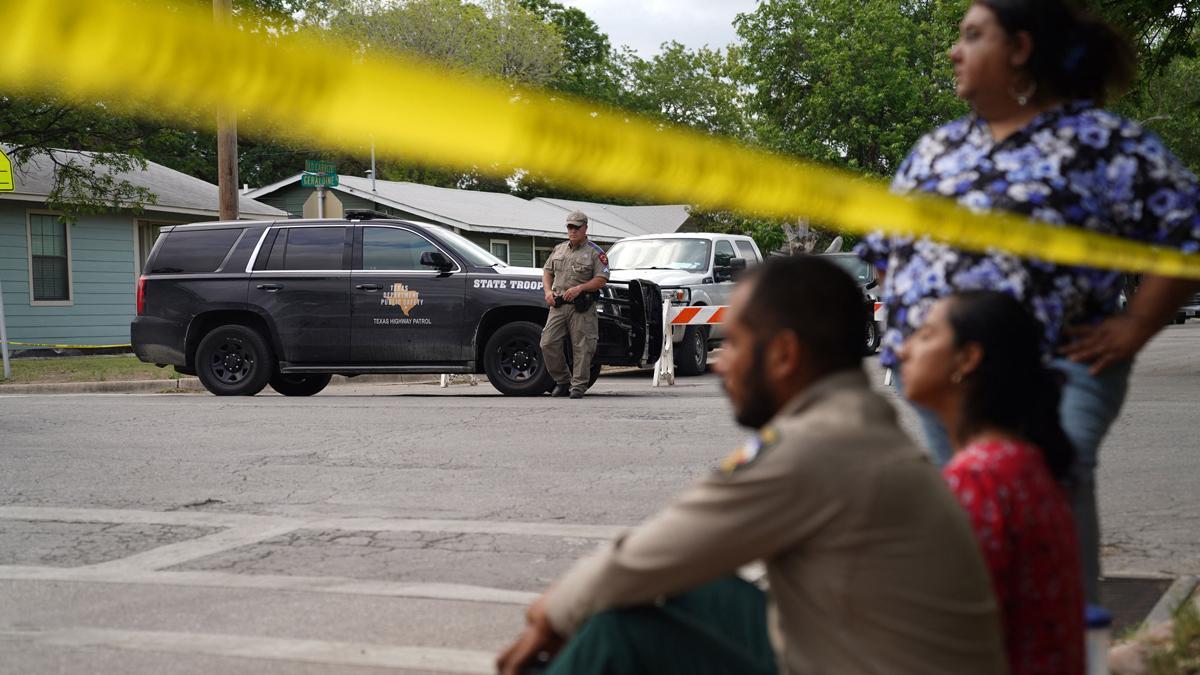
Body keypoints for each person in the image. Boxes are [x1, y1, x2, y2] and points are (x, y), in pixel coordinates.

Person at [498, 257, 1007, 675]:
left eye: (735, 343)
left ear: (784, 354)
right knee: (676, 585)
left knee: (617, 627)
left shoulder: (818, 445)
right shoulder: (854, 422)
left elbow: (650, 555)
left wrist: (550, 613)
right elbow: (666, 555)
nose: (720, 363)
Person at [856, 0, 1200, 601]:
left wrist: (1134, 328)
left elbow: (1187, 233)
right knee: (971, 516)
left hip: (1056, 368)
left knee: (1045, 500)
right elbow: (885, 252)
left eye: (972, 36)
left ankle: (1068, 642)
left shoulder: (1100, 143)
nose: (953, 51)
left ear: (1019, 49)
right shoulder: (937, 148)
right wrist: (917, 332)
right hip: (946, 377)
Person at [897, 290, 1085, 675]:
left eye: (926, 335)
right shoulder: (1020, 462)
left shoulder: (978, 480)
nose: (903, 350)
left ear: (967, 359)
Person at [540, 211, 610, 399]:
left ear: (585, 228)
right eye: (569, 227)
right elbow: (547, 272)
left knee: (582, 346)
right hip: (559, 304)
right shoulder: (559, 249)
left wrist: (580, 288)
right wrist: (547, 291)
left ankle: (578, 386)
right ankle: (563, 380)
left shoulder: (596, 252)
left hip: (582, 306)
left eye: (576, 227)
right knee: (547, 343)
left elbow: (602, 279)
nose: (572, 231)